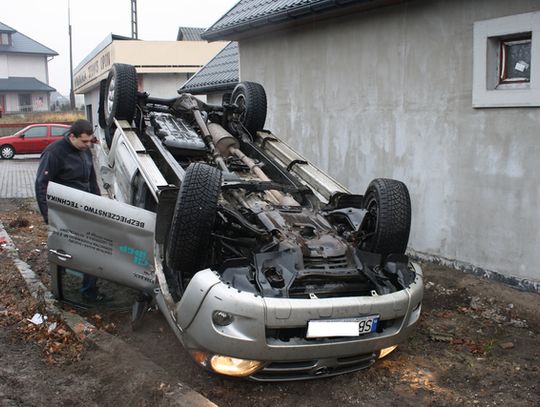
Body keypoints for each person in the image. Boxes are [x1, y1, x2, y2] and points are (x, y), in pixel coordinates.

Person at [35, 119, 103, 302]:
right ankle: (61, 290)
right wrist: (48, 216)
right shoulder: (54, 153)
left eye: (90, 141)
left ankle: (89, 291)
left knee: (91, 249)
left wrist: (99, 206)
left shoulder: (85, 151)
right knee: (63, 251)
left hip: (85, 210)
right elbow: (41, 185)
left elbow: (92, 181)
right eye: (84, 141)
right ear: (72, 136)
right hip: (64, 213)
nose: (88, 145)